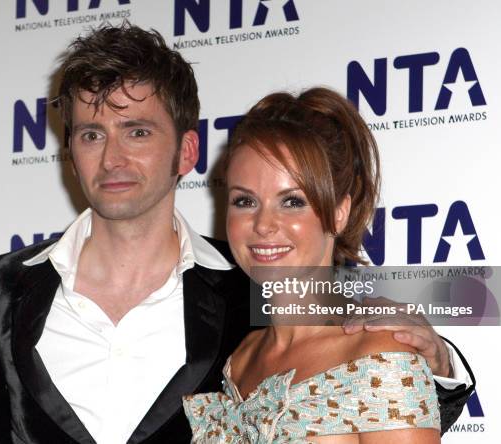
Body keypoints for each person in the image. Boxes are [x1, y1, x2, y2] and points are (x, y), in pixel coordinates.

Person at [0, 25, 473, 444]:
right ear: (70, 149)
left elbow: (406, 337)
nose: (112, 158)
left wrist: (440, 361)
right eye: (92, 134)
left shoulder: (256, 276)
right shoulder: (3, 284)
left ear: (187, 151)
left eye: (137, 131)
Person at [182, 88, 450, 443]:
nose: (263, 225)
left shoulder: (380, 354)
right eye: (245, 200)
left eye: (292, 201)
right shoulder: (239, 358)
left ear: (339, 213)